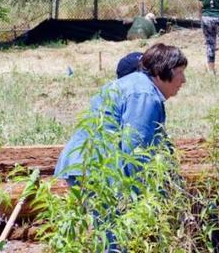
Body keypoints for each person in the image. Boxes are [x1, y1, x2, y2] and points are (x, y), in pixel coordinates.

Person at [55, 43, 188, 184]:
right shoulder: (143, 95)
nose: (184, 80)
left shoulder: (138, 86)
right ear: (162, 71)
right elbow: (137, 152)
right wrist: (138, 200)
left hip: (88, 165)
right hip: (96, 170)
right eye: (180, 72)